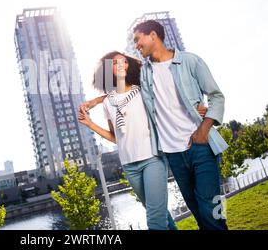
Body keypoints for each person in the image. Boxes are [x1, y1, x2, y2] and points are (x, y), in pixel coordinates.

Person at [81, 20, 228, 230]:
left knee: (210, 209)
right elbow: (121, 91)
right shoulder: (145, 74)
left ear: (152, 35)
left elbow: (216, 97)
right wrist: (97, 101)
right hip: (173, 153)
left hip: (199, 146)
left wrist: (204, 127)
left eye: (138, 39)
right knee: (197, 210)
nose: (136, 45)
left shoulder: (189, 61)